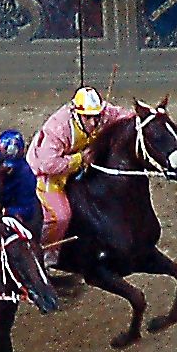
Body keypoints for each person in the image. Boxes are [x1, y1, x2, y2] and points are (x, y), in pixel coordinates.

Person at [25, 85, 112, 248]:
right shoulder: (58, 128)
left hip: (71, 170)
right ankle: (43, 252)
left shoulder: (102, 115)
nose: (94, 122)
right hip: (44, 175)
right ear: (77, 113)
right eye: (89, 117)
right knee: (60, 216)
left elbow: (118, 114)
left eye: (97, 116)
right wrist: (79, 159)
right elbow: (48, 164)